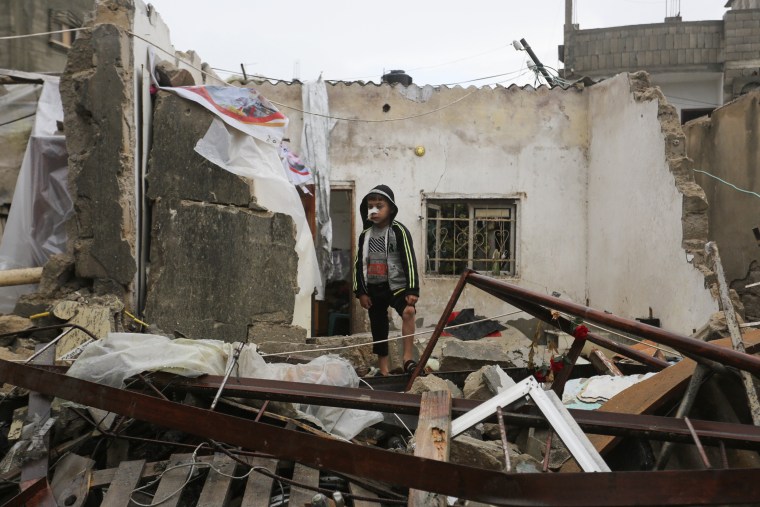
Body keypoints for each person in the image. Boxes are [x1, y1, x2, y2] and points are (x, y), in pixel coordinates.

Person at [353, 184, 419, 376]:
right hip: (374, 288)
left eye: (379, 206)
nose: (373, 210)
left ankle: (407, 358)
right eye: (370, 206)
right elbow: (359, 263)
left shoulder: (399, 231)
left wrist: (412, 289)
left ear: (391, 208)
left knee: (408, 311)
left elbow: (409, 259)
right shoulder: (365, 235)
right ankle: (384, 370)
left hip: (396, 286)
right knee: (378, 328)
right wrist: (361, 292)